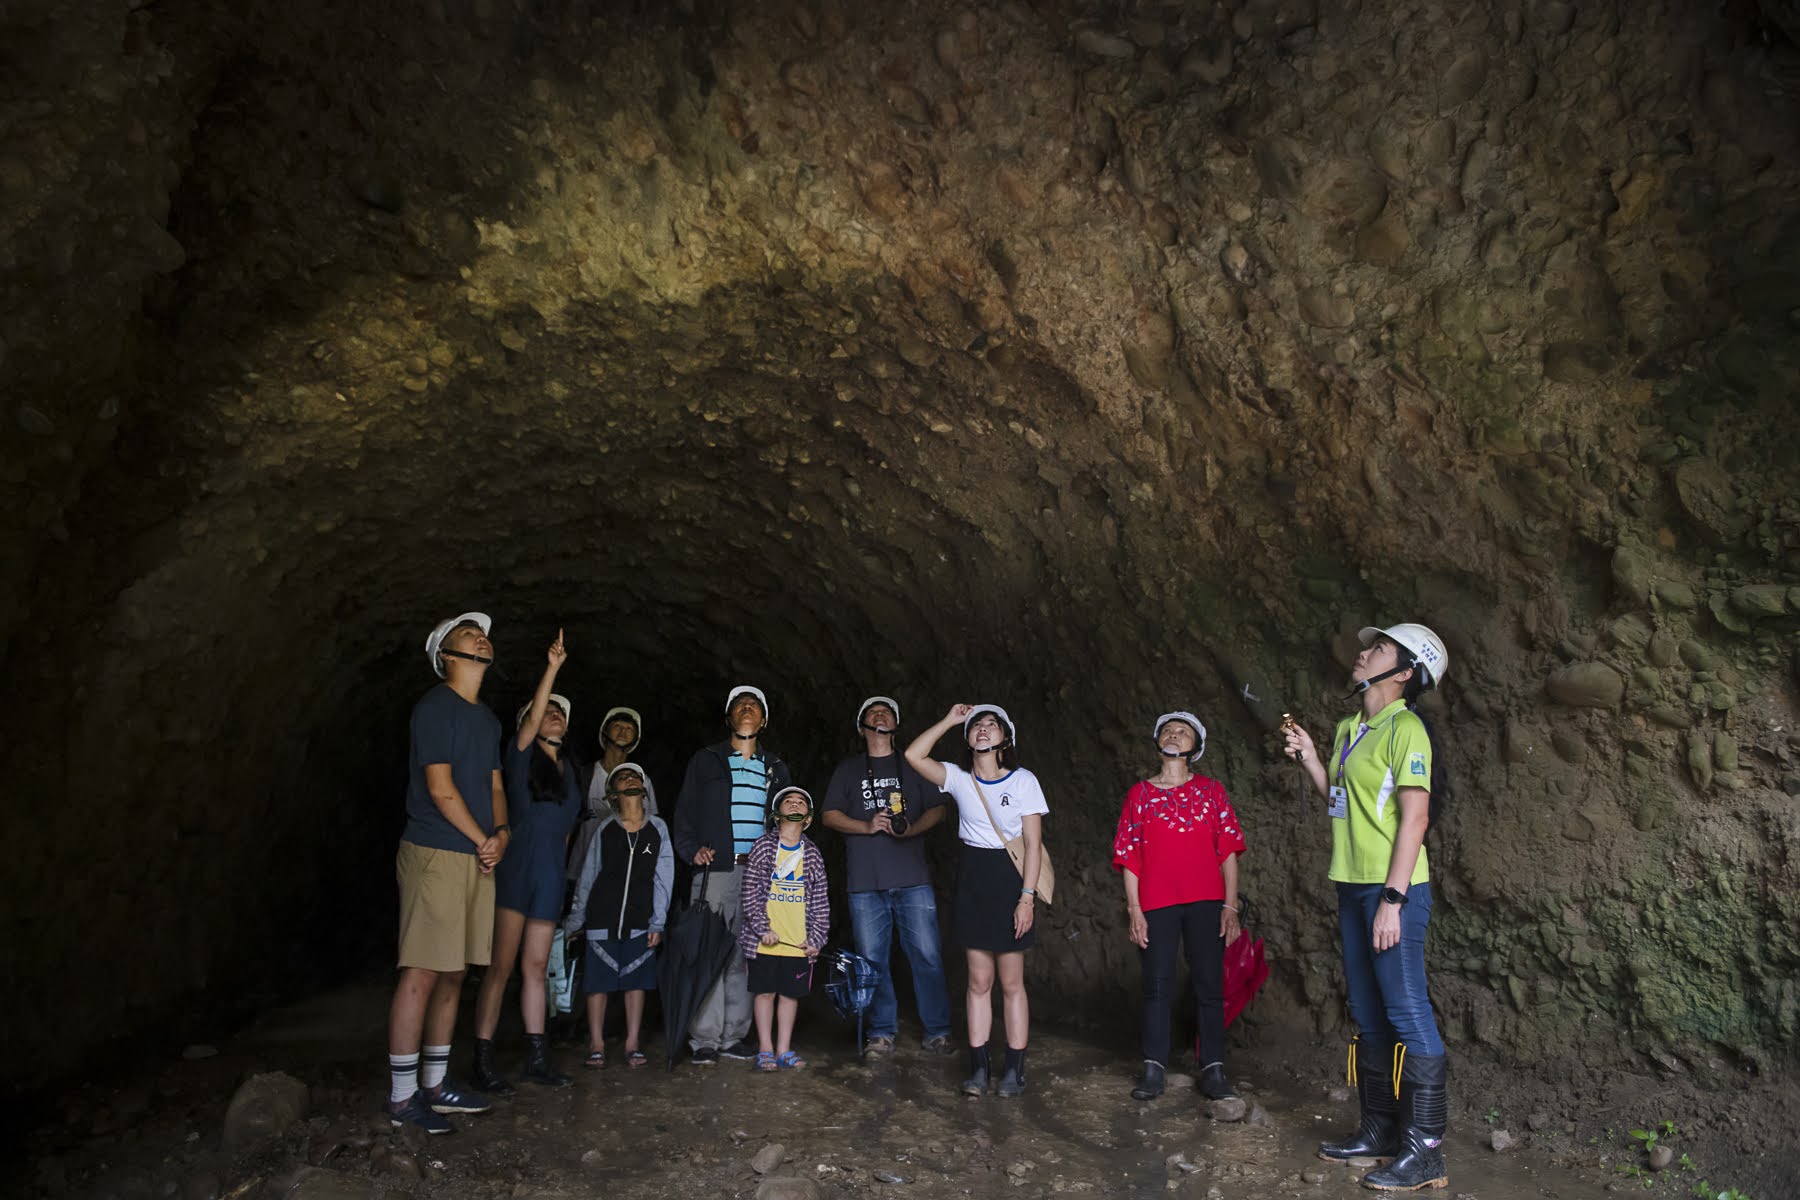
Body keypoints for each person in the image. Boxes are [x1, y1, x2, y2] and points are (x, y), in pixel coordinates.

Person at [1282, 623, 1453, 1192]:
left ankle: (1426, 1151)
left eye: (1378, 649)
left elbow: (1416, 819)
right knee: (1367, 1010)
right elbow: (1339, 797)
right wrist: (1311, 758)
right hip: (1350, 884)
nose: (1363, 652)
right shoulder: (1351, 727)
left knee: (1407, 1012)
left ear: (1404, 672)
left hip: (1392, 890)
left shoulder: (1408, 731)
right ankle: (1379, 1130)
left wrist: (1393, 900)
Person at [385, 612, 508, 1134]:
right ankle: (401, 1096)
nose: (481, 635)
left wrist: (502, 834)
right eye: (466, 634)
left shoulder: (489, 720)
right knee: (422, 970)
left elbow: (496, 785)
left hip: (478, 855)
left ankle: (435, 1084)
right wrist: (484, 838)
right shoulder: (434, 707)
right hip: (436, 849)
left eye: (482, 631)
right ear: (446, 658)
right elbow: (440, 787)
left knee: (457, 971)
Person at [904, 703, 1046, 1098]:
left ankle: (1015, 1070)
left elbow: (1033, 845)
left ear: (1005, 738)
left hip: (1009, 880)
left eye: (991, 725)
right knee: (978, 980)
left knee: (1011, 981)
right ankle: (979, 1068)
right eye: (976, 726)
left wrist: (1027, 898)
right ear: (967, 739)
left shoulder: (1023, 781)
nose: (983, 730)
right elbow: (914, 755)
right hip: (973, 879)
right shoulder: (958, 778)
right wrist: (949, 720)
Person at [1112, 711, 1246, 1102]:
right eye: (1167, 730)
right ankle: (1153, 1068)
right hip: (1156, 903)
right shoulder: (1139, 795)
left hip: (1207, 900)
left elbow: (1228, 850)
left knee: (1209, 984)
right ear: (1157, 742)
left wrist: (1231, 905)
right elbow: (1128, 856)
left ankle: (1213, 1068)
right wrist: (1134, 909)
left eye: (1183, 732)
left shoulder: (1211, 791)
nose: (1173, 735)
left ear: (1195, 748)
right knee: (1156, 985)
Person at [470, 630, 583, 1093]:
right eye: (546, 712)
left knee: (536, 967)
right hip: (516, 871)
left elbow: (571, 829)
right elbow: (532, 720)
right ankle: (482, 1058)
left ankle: (538, 1057)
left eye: (560, 713)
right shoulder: (518, 758)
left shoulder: (571, 772)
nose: (552, 716)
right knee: (500, 967)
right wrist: (552, 668)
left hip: (549, 877)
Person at [821, 695, 955, 1058]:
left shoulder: (912, 765)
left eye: (887, 712)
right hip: (865, 882)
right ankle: (881, 1032)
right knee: (872, 959)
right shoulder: (849, 770)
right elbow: (829, 815)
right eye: (872, 712)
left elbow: (939, 809)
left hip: (912, 877)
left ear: (896, 724)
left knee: (927, 955)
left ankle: (938, 1030)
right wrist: (866, 826)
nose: (880, 715)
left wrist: (910, 829)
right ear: (861, 725)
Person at [672, 685, 792, 1065]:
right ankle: (705, 1038)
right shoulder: (705, 760)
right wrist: (691, 850)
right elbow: (685, 811)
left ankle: (733, 1036)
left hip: (758, 872)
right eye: (739, 705)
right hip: (715, 870)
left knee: (745, 953)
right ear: (729, 717)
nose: (746, 709)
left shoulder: (775, 767)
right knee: (708, 950)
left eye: (754, 705)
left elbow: (787, 820)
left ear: (764, 720)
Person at [563, 762, 672, 1070]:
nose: (629, 779)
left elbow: (664, 877)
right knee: (597, 983)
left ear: (645, 787)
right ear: (612, 793)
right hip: (602, 916)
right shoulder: (605, 829)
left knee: (635, 982)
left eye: (635, 775)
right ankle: (596, 1043)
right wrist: (576, 920)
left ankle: (632, 1041)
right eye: (622, 777)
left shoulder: (658, 829)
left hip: (640, 918)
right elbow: (588, 874)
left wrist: (658, 921)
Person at [739, 786, 830, 1070]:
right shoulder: (764, 847)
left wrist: (816, 938)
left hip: (796, 941)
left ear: (809, 818)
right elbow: (751, 890)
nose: (794, 805)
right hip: (765, 940)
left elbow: (821, 900)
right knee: (765, 993)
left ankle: (783, 1049)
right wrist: (762, 928)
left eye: (800, 802)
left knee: (790, 995)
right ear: (776, 816)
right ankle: (765, 1048)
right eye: (787, 801)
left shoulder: (812, 854)